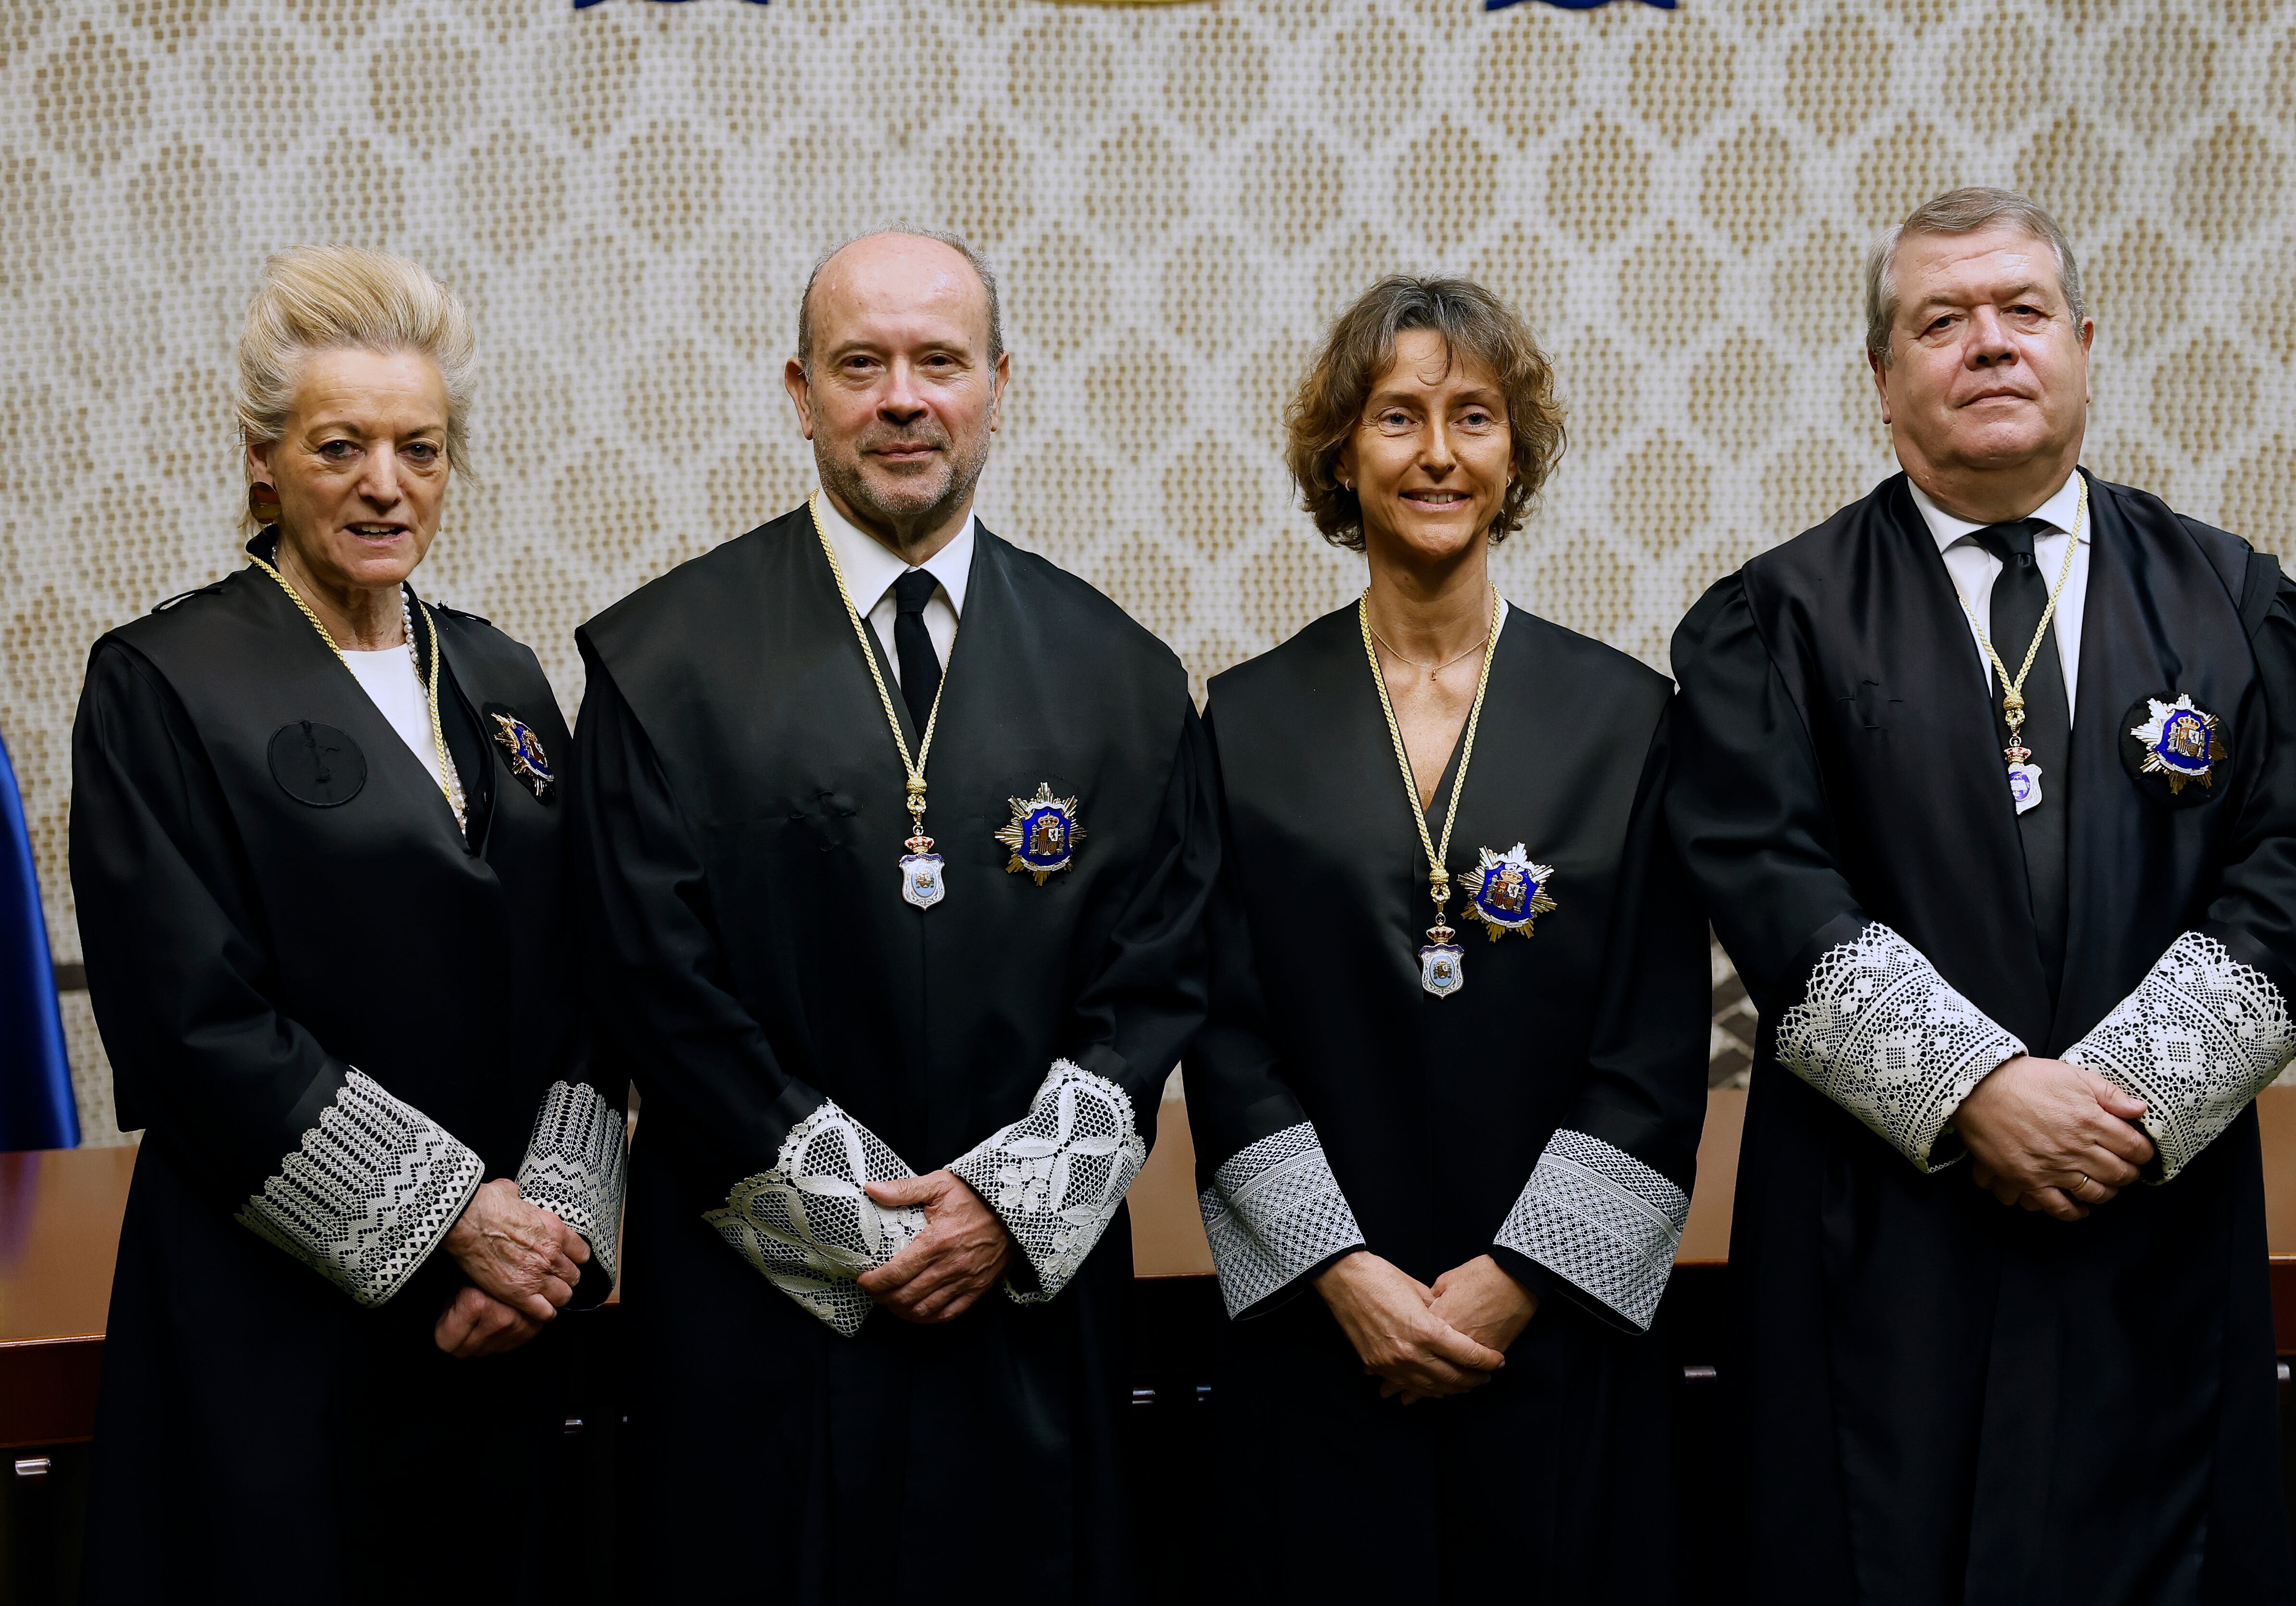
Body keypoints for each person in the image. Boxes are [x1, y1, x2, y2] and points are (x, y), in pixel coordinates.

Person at [1669, 187, 2296, 1605]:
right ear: (1885, 380)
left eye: (2023, 311)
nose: (1989, 344)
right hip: (1878, 1235)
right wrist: (1980, 1089)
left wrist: (2120, 1093)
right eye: (1942, 320)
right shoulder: (1779, 618)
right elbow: (1765, 870)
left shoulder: (2236, 603)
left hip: (2149, 1210)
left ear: (2082, 344)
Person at [572, 226, 1213, 1600]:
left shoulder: (1129, 680)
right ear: (800, 393)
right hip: (765, 1324)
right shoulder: (658, 662)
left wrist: (1000, 1212)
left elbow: (1156, 982)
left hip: (1027, 1314)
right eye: (861, 364)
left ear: (999, 382)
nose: (902, 398)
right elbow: (652, 979)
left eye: (939, 361)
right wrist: (880, 1236)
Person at [70, 246, 627, 1602]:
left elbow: (591, 973)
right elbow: (190, 1017)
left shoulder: (497, 671)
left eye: (419, 447)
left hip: (499, 1326)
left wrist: (548, 1233)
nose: (387, 483)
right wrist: (457, 1220)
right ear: (264, 460)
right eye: (341, 446)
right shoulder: (163, 680)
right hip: (271, 1320)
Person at [1184, 276, 1708, 1603]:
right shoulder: (1243, 722)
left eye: (1472, 417)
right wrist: (1349, 1277)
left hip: (1555, 1335)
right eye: (1397, 417)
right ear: (1341, 457)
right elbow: (1223, 1030)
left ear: (1513, 453)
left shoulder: (1631, 719)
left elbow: (1654, 1044)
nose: (1435, 453)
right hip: (1322, 1333)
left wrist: (1517, 1280)